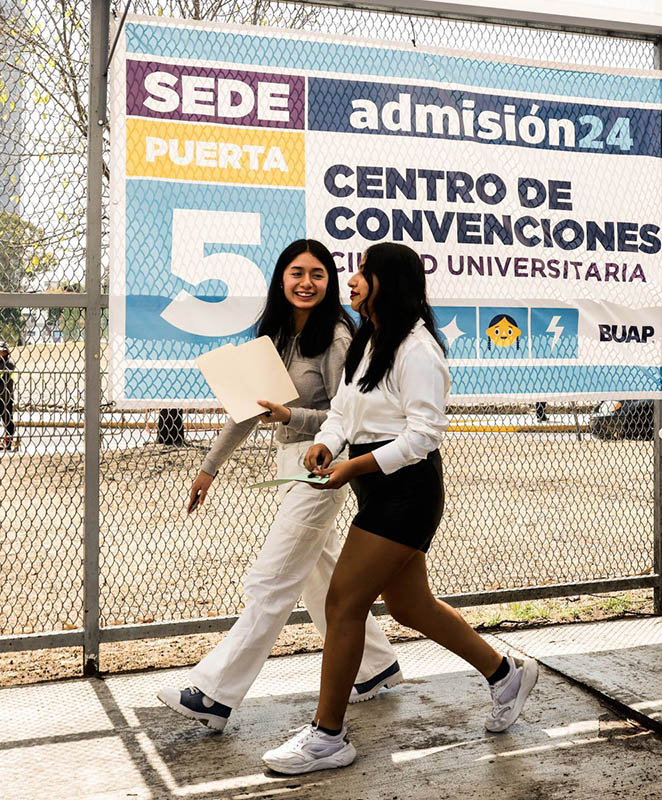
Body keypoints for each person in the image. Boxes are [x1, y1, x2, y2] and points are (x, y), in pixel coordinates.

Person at [261, 242, 539, 775]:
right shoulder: (371, 337)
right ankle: (505, 674)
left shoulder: (418, 350)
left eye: (365, 270)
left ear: (390, 281)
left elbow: (423, 436)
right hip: (376, 484)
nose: (355, 277)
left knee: (344, 603)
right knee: (412, 606)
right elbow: (344, 407)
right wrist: (330, 444)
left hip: (407, 491)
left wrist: (353, 468)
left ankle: (328, 737)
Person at [156, 240, 401, 734]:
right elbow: (248, 409)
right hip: (291, 463)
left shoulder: (335, 337)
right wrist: (209, 468)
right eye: (296, 272)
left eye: (318, 274)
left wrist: (291, 415)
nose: (306, 282)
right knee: (317, 577)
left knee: (272, 580)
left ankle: (214, 692)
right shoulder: (276, 335)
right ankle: (376, 669)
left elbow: (346, 415)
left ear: (330, 282)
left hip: (323, 464)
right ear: (281, 278)